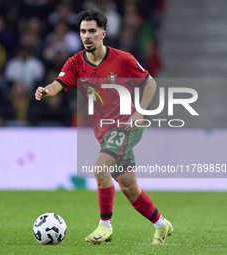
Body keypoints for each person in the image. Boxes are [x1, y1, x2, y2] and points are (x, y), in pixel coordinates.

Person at [35, 10, 173, 245]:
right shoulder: (76, 62)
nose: (86, 36)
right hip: (104, 132)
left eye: (91, 31)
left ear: (103, 33)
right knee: (129, 187)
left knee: (100, 169)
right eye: (82, 31)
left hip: (126, 126)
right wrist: (47, 91)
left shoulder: (123, 59)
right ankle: (162, 225)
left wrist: (139, 112)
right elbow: (59, 83)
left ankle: (104, 226)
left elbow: (150, 83)